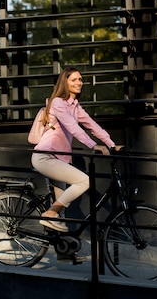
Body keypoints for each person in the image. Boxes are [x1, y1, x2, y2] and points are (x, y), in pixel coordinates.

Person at [31, 67, 122, 238]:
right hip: (45, 157)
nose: (79, 82)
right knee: (84, 181)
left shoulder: (75, 106)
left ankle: (64, 253)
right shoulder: (58, 102)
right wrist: (92, 145)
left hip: (59, 160)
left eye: (80, 79)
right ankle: (49, 214)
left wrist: (111, 144)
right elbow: (72, 127)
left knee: (61, 211)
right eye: (74, 80)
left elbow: (92, 125)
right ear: (64, 82)